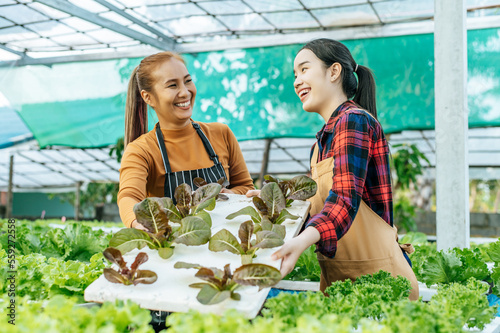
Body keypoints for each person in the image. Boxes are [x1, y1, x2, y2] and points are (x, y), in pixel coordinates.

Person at [251, 38, 419, 300]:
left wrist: (303, 240)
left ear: (334, 71)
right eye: (295, 74)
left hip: (379, 280)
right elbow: (315, 205)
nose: (296, 81)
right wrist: (273, 201)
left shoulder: (354, 121)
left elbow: (344, 199)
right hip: (343, 280)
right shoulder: (320, 144)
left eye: (304, 70)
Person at [118, 51, 254, 230]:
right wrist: (137, 222)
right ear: (147, 97)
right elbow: (128, 197)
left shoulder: (221, 134)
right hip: (175, 248)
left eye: (188, 81)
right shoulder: (142, 150)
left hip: (227, 244)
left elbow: (245, 187)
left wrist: (229, 195)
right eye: (173, 85)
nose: (185, 92)